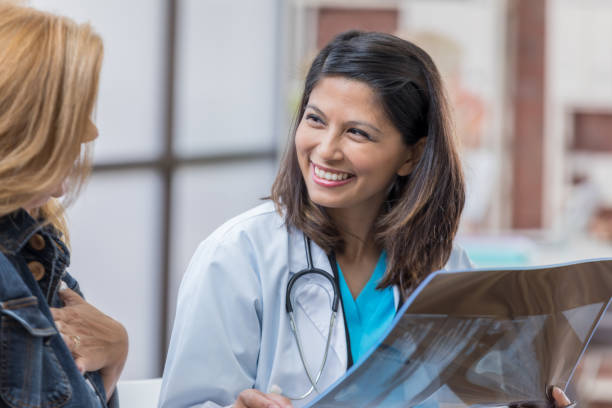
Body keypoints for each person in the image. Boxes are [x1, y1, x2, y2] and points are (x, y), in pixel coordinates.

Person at [159, 31, 572, 408]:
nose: (325, 150)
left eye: (357, 133)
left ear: (411, 155)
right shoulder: (238, 256)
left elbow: (476, 399)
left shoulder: (446, 267)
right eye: (315, 119)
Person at [0, 3, 127, 407]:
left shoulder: (32, 242)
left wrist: (115, 350)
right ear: (20, 123)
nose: (90, 133)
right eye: (71, 116)